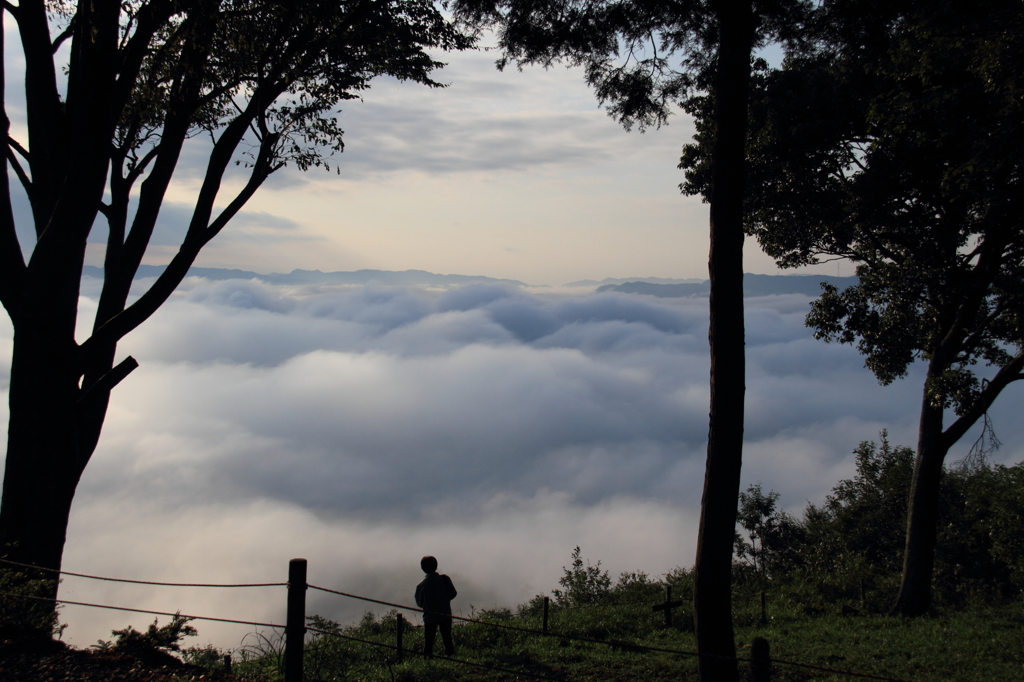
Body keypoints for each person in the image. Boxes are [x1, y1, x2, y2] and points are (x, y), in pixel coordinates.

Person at [414, 555, 457, 657]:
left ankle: (428, 661)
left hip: (429, 617)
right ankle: (450, 657)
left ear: (423, 568)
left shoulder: (421, 585)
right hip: (445, 614)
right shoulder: (444, 579)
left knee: (429, 642)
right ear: (436, 566)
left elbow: (419, 603)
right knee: (447, 639)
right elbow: (453, 594)